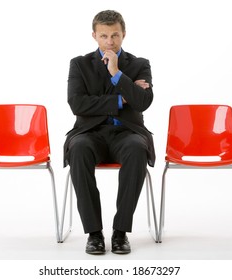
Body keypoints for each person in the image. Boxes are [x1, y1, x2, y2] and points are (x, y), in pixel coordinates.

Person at [63, 10, 155, 255]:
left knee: (137, 148)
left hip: (127, 132)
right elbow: (77, 104)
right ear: (94, 35)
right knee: (79, 148)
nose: (110, 42)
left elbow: (144, 102)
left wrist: (117, 73)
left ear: (123, 34)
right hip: (89, 133)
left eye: (115, 35)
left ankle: (120, 232)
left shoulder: (139, 64)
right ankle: (94, 234)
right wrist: (122, 99)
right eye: (104, 36)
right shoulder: (79, 64)